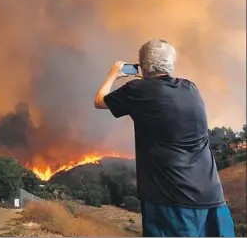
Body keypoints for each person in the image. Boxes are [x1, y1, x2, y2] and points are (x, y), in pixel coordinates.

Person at [93, 39, 235, 237]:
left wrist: (113, 74)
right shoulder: (191, 87)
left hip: (172, 200)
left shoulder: (138, 90)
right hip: (213, 199)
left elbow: (99, 101)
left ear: (143, 66)